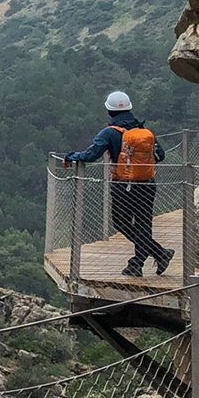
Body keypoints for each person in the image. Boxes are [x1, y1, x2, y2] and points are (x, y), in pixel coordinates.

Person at [62, 90, 172, 277]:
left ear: (109, 111)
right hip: (147, 184)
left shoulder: (109, 133)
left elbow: (91, 155)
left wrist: (71, 156)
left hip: (123, 185)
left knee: (122, 222)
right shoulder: (143, 131)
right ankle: (152, 257)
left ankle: (145, 260)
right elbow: (160, 155)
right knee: (144, 223)